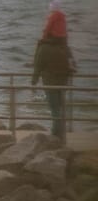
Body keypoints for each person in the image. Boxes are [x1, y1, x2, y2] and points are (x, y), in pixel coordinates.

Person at [32, 9, 76, 140]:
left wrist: (33, 81)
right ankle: (60, 134)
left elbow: (38, 65)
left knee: (54, 108)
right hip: (63, 80)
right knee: (60, 107)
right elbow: (71, 62)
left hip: (50, 81)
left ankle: (56, 134)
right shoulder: (64, 46)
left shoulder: (44, 47)